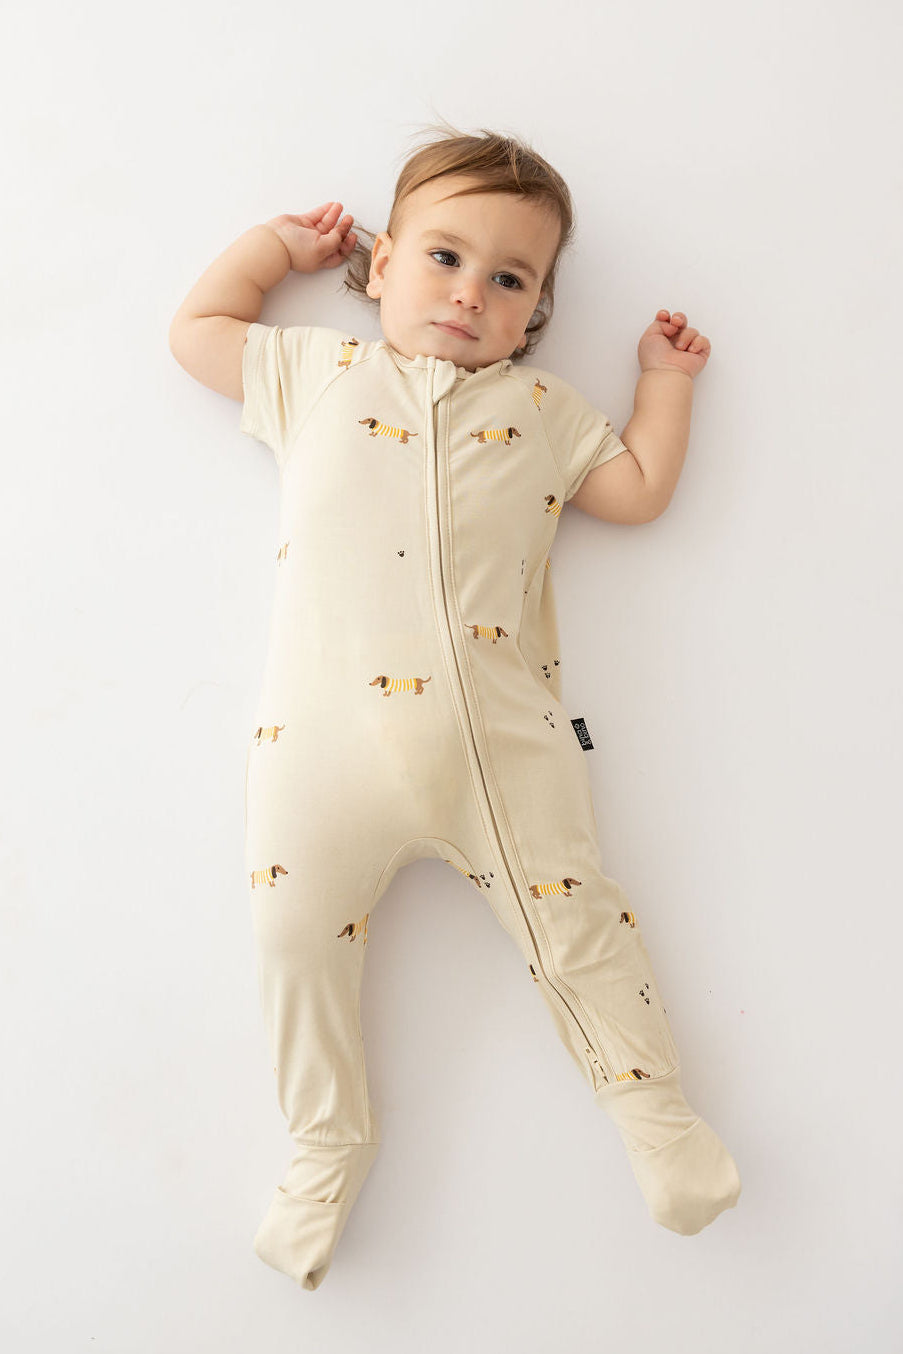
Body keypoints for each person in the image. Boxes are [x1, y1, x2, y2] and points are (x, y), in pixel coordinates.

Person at [168, 124, 741, 1292]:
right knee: (291, 941)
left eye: (511, 279)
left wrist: (665, 385)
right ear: (379, 264)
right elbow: (198, 331)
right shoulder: (318, 375)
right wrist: (272, 249)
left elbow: (636, 489)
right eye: (444, 256)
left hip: (504, 749)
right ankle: (326, 1143)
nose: (472, 292)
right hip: (321, 752)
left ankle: (659, 1121)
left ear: (536, 314)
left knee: (581, 930)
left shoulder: (543, 410)